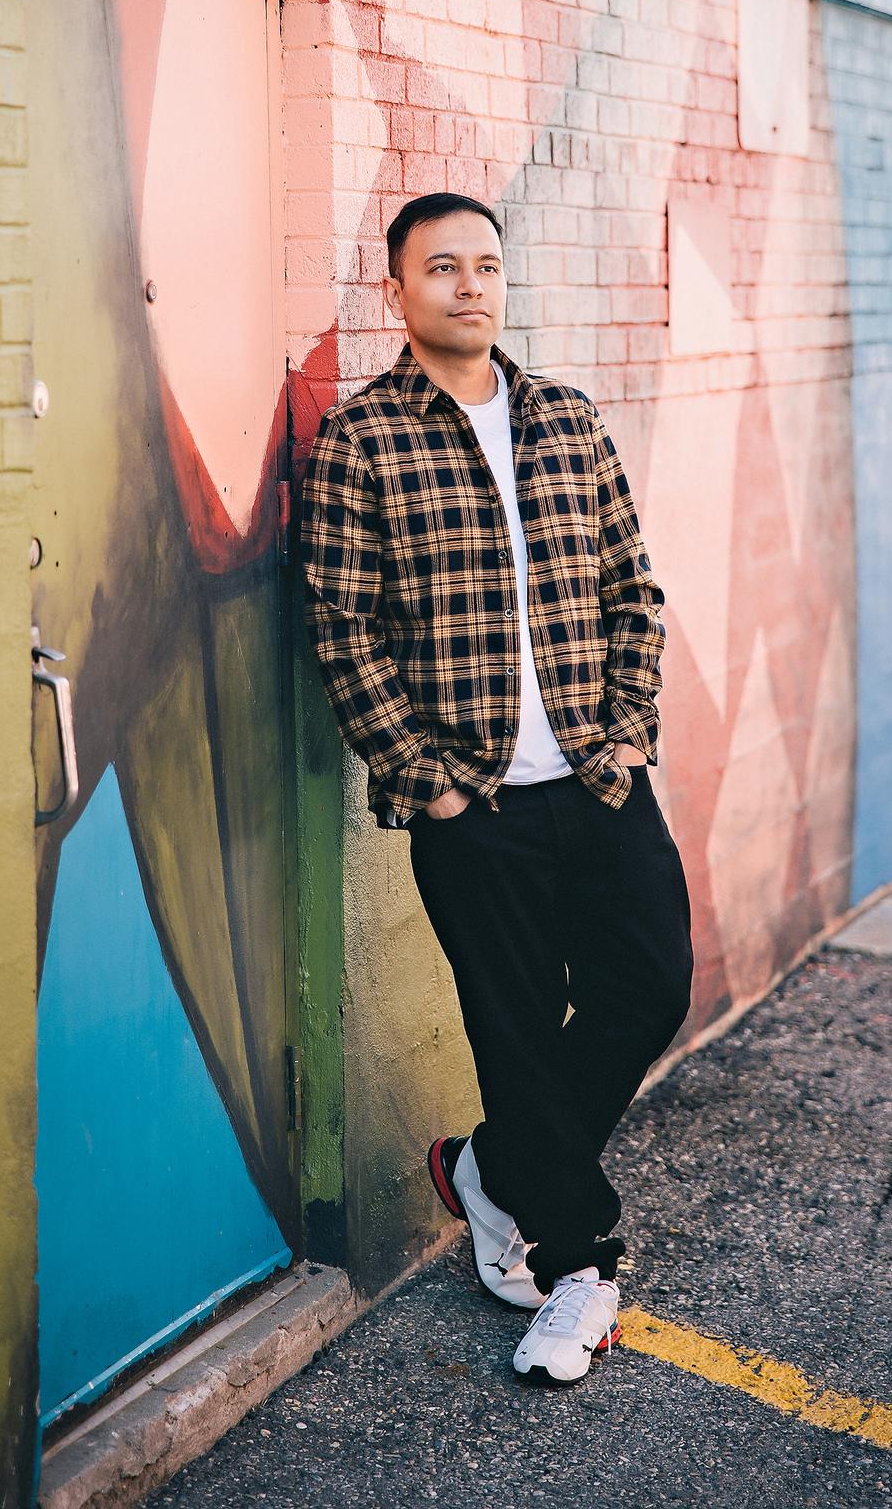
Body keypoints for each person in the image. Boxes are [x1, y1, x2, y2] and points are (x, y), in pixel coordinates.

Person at [301, 192, 693, 1386]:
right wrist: (428, 785)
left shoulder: (566, 420)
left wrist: (628, 736)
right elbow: (342, 625)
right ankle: (578, 1269)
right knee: (514, 1033)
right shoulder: (362, 440)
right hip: (476, 807)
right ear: (397, 293)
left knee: (652, 983)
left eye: (486, 264)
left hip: (597, 781)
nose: (470, 285)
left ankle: (492, 1166)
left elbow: (634, 589)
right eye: (442, 268)